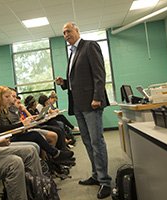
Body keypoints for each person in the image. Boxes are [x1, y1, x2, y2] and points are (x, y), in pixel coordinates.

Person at [55, 22, 112, 199]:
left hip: (91, 103)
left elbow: (99, 74)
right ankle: (96, 175)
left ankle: (105, 181)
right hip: (78, 105)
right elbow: (78, 80)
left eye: (69, 31)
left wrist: (97, 97)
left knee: (96, 142)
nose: (66, 35)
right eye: (63, 33)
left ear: (77, 31)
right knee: (87, 142)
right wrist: (64, 83)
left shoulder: (89, 46)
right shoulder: (72, 53)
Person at [0, 86, 74, 163]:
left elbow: (8, 127)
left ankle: (54, 157)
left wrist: (22, 125)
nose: (9, 99)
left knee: (38, 134)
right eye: (6, 97)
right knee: (35, 135)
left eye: (10, 96)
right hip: (4, 139)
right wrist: (22, 124)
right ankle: (55, 155)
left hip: (10, 135)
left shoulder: (4, 110)